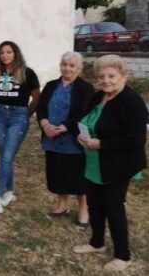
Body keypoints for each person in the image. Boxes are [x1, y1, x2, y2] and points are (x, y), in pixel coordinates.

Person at [73, 55, 147, 272]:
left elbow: (136, 139)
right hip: (93, 162)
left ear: (123, 76)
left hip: (117, 165)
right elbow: (85, 120)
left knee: (114, 209)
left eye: (111, 76)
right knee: (95, 204)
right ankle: (97, 243)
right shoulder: (98, 97)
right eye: (101, 76)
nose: (106, 80)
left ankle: (123, 256)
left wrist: (102, 143)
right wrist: (80, 135)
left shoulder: (131, 101)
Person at [36, 51, 93, 226]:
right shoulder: (51, 85)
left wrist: (66, 127)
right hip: (52, 138)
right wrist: (45, 125)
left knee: (78, 176)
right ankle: (62, 205)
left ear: (79, 68)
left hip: (73, 139)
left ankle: (83, 210)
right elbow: (41, 108)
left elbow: (84, 112)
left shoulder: (85, 88)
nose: (67, 68)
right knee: (57, 173)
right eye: (64, 64)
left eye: (71, 65)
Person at [0, 41, 40, 214]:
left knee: (7, 155)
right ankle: (9, 192)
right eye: (2, 52)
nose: (5, 55)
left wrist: (26, 114)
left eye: (8, 52)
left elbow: (36, 96)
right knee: (5, 154)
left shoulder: (27, 72)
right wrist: (2, 107)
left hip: (19, 116)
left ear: (15, 54)